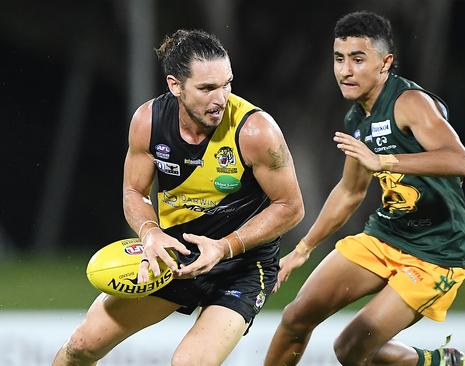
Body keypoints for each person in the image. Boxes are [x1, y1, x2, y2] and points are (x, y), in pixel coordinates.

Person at [52, 29, 304, 366]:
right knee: (82, 345)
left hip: (242, 266)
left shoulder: (256, 131)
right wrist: (150, 233)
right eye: (207, 88)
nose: (221, 98)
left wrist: (225, 247)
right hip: (175, 255)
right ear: (175, 86)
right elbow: (134, 192)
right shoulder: (149, 121)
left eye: (227, 84)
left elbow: (291, 207)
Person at [264, 11, 465, 366]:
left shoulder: (410, 103)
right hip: (385, 235)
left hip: (436, 254)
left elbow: (459, 160)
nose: (345, 70)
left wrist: (386, 162)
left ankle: (433, 361)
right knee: (295, 318)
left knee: (350, 349)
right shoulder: (358, 118)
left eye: (358, 59)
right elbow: (350, 192)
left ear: (385, 63)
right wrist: (303, 249)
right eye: (339, 59)